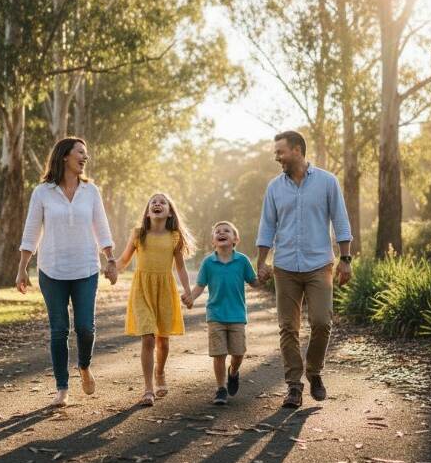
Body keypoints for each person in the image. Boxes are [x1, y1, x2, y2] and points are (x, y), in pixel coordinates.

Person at [15, 137, 117, 408]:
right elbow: (31, 231)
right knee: (59, 330)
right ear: (64, 157)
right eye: (80, 153)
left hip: (85, 268)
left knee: (85, 328)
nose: (85, 158)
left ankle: (84, 366)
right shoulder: (42, 192)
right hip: (51, 270)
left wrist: (111, 259)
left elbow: (102, 227)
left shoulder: (90, 191)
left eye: (86, 153)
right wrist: (22, 268)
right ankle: (62, 388)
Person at [255, 130, 353, 409]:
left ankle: (314, 371)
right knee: (288, 328)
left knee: (322, 322)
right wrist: (261, 262)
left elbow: (341, 221)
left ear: (297, 150)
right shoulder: (274, 187)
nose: (277, 157)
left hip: (319, 265)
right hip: (285, 266)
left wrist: (346, 259)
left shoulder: (326, 182)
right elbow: (267, 227)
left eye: (280, 152)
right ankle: (294, 386)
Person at [116, 192, 195, 406]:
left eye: (163, 202)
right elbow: (123, 260)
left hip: (165, 290)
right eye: (153, 202)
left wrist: (188, 291)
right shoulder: (138, 234)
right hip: (142, 289)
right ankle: (148, 389)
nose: (157, 204)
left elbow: (180, 267)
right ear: (148, 211)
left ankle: (160, 372)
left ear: (169, 212)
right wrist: (112, 269)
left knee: (164, 340)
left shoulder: (174, 236)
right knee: (148, 337)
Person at [183, 221, 258, 405]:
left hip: (237, 315)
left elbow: (254, 282)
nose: (221, 233)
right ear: (213, 241)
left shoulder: (242, 261)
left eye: (227, 231)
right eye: (218, 231)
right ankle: (220, 388)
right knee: (219, 354)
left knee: (239, 352)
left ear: (235, 239)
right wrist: (191, 297)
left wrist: (265, 276)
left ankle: (233, 372)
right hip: (215, 315)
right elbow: (200, 285)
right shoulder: (208, 262)